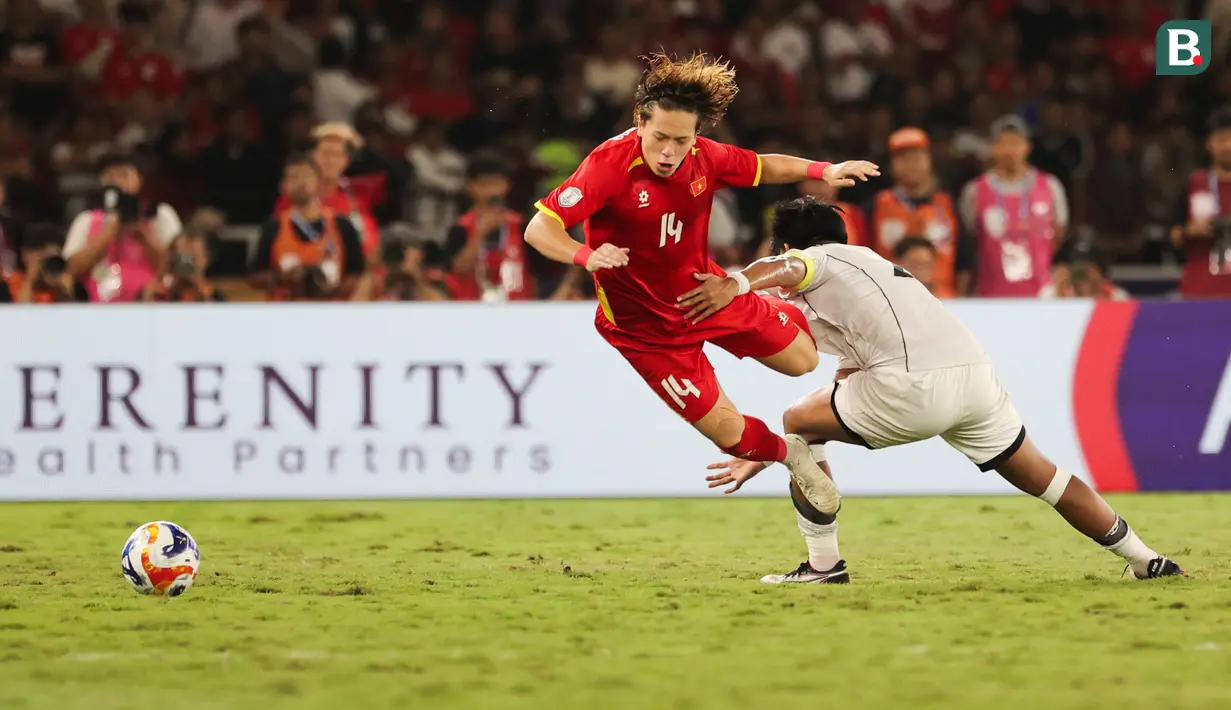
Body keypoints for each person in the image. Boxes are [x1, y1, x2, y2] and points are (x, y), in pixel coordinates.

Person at [683, 197, 1182, 584]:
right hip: (975, 380)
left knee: (796, 420)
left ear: (792, 246)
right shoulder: (867, 275)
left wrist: (739, 282)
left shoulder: (822, 258)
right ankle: (1146, 559)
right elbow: (848, 378)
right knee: (1044, 477)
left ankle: (823, 565)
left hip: (914, 386)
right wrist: (784, 453)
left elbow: (792, 268)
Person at [525, 52, 879, 514]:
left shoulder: (703, 157)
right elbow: (540, 228)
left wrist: (822, 171)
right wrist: (586, 255)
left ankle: (783, 305)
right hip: (646, 332)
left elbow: (762, 166)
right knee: (733, 439)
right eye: (659, 139)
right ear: (639, 122)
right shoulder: (609, 165)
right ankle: (794, 456)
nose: (669, 152)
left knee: (801, 361)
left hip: (705, 295)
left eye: (681, 140)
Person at [959, 116, 1068, 298]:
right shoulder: (975, 191)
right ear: (993, 148)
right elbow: (970, 241)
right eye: (1003, 143)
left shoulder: (1049, 187)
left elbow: (1058, 234)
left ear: (1027, 147)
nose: (1010, 150)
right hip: (991, 295)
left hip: (1041, 296)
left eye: (1016, 143)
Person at [63, 153, 182, 303]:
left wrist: (143, 234)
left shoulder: (159, 215)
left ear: (139, 180)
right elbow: (70, 268)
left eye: (123, 175)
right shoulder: (86, 220)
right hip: (98, 308)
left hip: (151, 306)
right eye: (111, 176)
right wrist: (108, 233)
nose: (117, 182)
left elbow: (176, 265)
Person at [866, 127, 969, 297]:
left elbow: (965, 262)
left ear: (928, 160)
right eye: (903, 158)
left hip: (943, 302)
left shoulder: (948, 206)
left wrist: (963, 304)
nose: (911, 164)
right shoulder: (876, 206)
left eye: (917, 156)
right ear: (892, 164)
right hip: (890, 303)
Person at [251, 154, 365, 301]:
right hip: (285, 314)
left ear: (318, 182)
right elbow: (254, 277)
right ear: (283, 186)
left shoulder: (342, 224)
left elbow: (357, 273)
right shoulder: (273, 227)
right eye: (293, 177)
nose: (301, 183)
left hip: (331, 314)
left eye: (306, 176)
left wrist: (331, 291)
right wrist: (282, 278)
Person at [443, 155, 535, 302]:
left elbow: (534, 274)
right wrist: (480, 233)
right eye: (484, 185)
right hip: (470, 310)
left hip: (518, 311)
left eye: (496, 183)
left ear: (507, 185)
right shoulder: (460, 227)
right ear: (470, 187)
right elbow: (458, 270)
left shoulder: (524, 226)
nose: (492, 191)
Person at [1168, 108, 1231, 298]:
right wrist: (1190, 231)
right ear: (1208, 143)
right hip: (1199, 290)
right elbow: (1173, 235)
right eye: (1221, 139)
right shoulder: (1194, 183)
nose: (1227, 146)